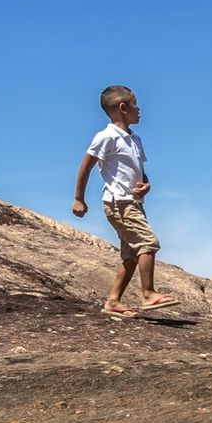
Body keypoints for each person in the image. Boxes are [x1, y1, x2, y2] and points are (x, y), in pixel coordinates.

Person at [72, 85, 180, 318]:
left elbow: (138, 170)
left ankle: (113, 301)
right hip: (118, 202)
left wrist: (147, 185)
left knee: (131, 255)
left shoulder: (134, 139)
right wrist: (78, 199)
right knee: (148, 243)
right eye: (135, 104)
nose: (139, 109)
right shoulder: (106, 136)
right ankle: (148, 294)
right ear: (123, 108)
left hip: (132, 202)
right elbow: (85, 166)